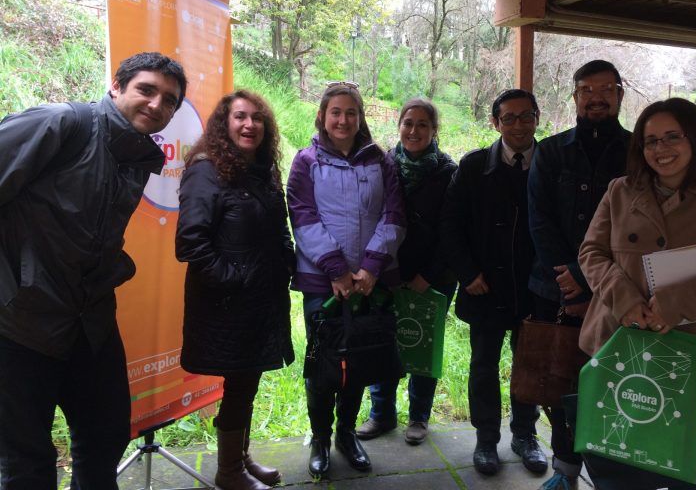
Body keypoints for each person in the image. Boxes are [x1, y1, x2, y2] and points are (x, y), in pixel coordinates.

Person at [0, 52, 187, 489]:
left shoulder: (137, 156)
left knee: (106, 436)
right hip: (20, 323)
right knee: (27, 462)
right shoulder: (63, 123)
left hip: (91, 322)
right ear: (117, 86)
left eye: (169, 100)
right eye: (146, 89)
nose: (157, 104)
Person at [578, 97, 696, 490]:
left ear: (694, 139)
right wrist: (624, 299)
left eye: (671, 137)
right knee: (620, 458)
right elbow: (591, 253)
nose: (660, 150)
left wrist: (676, 304)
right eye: (650, 141)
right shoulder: (620, 191)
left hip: (691, 351)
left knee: (675, 458)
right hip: (621, 341)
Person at [176, 90, 294, 490]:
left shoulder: (262, 169)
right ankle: (228, 473)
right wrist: (237, 278)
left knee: (247, 384)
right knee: (240, 385)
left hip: (263, 301)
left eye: (257, 118)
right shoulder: (205, 170)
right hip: (228, 306)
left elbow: (277, 228)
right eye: (241, 117)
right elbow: (191, 243)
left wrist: (287, 263)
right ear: (224, 124)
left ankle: (239, 460)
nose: (250, 125)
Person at [287, 81, 406, 477]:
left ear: (360, 118)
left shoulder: (381, 162)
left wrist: (371, 267)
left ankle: (346, 433)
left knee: (359, 360)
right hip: (324, 283)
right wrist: (337, 271)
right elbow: (302, 217)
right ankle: (320, 436)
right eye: (335, 112)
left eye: (350, 112)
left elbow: (393, 216)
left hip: (368, 282)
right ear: (322, 116)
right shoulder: (306, 161)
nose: (343, 119)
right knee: (324, 363)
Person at [527, 59, 631, 490]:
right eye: (587, 90)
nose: (597, 97)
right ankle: (565, 470)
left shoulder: (637, 151)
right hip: (554, 289)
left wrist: (591, 279)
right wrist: (569, 277)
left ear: (620, 95)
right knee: (559, 380)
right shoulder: (551, 151)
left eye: (606, 89)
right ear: (575, 97)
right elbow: (540, 219)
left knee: (610, 381)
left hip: (614, 292)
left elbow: (635, 225)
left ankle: (609, 470)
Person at [441, 89, 547, 476]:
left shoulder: (551, 164)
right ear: (495, 123)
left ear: (537, 117)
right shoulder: (472, 167)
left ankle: (525, 435)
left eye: (525, 116)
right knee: (483, 364)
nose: (518, 125)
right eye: (508, 118)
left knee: (529, 365)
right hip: (484, 288)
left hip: (534, 288)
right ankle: (486, 439)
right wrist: (467, 274)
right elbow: (450, 226)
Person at [356, 98, 458, 446]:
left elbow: (454, 231)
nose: (414, 131)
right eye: (408, 123)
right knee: (382, 343)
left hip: (433, 278)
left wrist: (428, 275)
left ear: (434, 130)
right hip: (386, 274)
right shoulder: (382, 165)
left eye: (422, 125)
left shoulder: (448, 171)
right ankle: (381, 414)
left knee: (421, 345)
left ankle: (419, 417)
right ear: (399, 125)